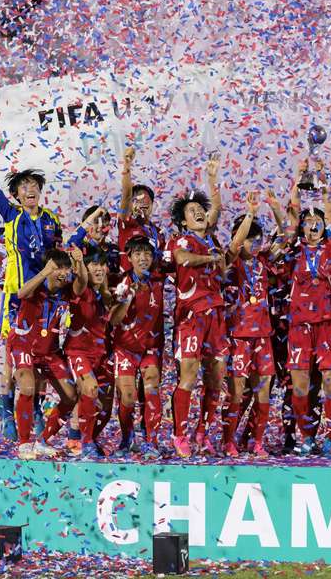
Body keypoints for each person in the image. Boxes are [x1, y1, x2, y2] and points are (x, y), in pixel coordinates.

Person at [0, 125, 62, 441]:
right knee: (11, 363)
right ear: (16, 194)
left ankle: (36, 409)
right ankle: (6, 410)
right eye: (24, 186)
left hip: (44, 302)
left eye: (34, 185)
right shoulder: (11, 215)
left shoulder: (51, 220)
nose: (30, 190)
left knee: (39, 361)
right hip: (17, 299)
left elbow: (59, 260)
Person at [165, 154, 225, 458]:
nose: (199, 212)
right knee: (188, 376)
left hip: (216, 315)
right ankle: (180, 435)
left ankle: (203, 431)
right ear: (183, 221)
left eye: (200, 209)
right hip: (191, 317)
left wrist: (212, 181)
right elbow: (182, 261)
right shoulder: (181, 241)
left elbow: (218, 208)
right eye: (192, 211)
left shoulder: (212, 239)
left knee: (216, 377)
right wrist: (210, 260)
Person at [285, 180, 331, 457]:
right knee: (299, 385)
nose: (312, 224)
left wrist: (323, 183)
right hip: (299, 326)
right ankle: (307, 436)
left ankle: (329, 437)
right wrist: (297, 182)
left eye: (316, 220)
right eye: (307, 221)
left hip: (328, 324)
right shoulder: (293, 250)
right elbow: (291, 214)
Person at [222, 192, 281, 457]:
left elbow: (287, 235)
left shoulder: (264, 261)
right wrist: (250, 213)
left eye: (257, 239)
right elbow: (234, 245)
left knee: (263, 392)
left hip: (263, 337)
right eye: (248, 238)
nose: (253, 243)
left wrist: (277, 207)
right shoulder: (232, 261)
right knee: (236, 393)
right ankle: (228, 440)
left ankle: (257, 442)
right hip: (238, 336)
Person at [8, 249, 74, 460]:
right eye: (58, 267)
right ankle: (25, 443)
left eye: (66, 268)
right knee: (28, 387)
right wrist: (44, 273)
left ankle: (43, 441)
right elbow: (21, 294)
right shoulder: (36, 285)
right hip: (23, 344)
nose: (62, 272)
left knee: (71, 396)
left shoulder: (67, 292)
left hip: (48, 351)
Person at [65, 245, 127, 458]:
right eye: (94, 265)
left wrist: (125, 300)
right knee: (89, 390)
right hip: (78, 351)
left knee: (106, 408)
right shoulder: (80, 288)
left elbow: (115, 320)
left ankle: (81, 434)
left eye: (102, 264)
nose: (99, 269)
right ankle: (83, 440)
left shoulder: (106, 295)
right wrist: (79, 262)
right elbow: (81, 278)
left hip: (101, 354)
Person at [109, 235, 168, 458]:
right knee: (128, 396)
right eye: (137, 254)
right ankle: (127, 440)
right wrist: (128, 297)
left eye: (147, 254)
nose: (143, 258)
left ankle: (151, 442)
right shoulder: (122, 282)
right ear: (130, 258)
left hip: (151, 347)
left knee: (152, 387)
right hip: (125, 347)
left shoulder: (160, 279)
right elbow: (114, 320)